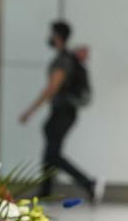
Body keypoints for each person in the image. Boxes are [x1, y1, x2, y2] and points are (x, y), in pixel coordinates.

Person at [19, 20, 102, 201]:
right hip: (61, 112)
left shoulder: (63, 60)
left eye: (52, 34)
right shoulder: (66, 58)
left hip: (63, 113)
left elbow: (51, 89)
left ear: (57, 36)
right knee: (49, 153)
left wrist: (29, 111)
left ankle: (88, 182)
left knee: (53, 154)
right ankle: (46, 191)